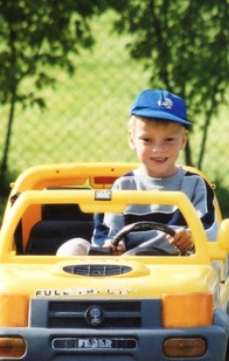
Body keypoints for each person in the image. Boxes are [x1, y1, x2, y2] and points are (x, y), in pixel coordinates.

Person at [57, 89, 217, 256]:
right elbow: (106, 233)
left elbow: (211, 231)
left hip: (179, 267)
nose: (158, 149)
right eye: (147, 140)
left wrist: (191, 237)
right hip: (130, 268)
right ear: (132, 140)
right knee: (73, 247)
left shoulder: (195, 185)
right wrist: (111, 245)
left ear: (183, 140)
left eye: (169, 140)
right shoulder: (122, 186)